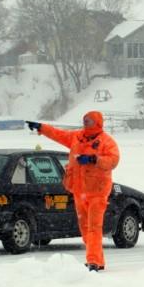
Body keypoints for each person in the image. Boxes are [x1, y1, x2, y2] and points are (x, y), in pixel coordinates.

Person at [26, 111, 120, 271]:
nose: (86, 123)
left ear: (97, 123)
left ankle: (93, 262)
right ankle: (99, 260)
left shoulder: (106, 141)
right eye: (84, 120)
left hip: (97, 191)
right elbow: (58, 134)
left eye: (89, 121)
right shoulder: (76, 137)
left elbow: (113, 160)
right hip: (79, 190)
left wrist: (94, 159)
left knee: (94, 227)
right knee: (85, 229)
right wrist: (41, 127)